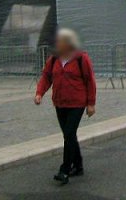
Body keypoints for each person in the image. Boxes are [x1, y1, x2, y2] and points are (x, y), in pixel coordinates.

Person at [35, 28, 97, 184]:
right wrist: (39, 93)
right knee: (69, 135)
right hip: (60, 102)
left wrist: (91, 104)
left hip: (77, 102)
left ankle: (65, 170)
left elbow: (90, 81)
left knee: (69, 134)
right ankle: (78, 165)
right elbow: (46, 77)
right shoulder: (54, 59)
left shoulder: (81, 59)